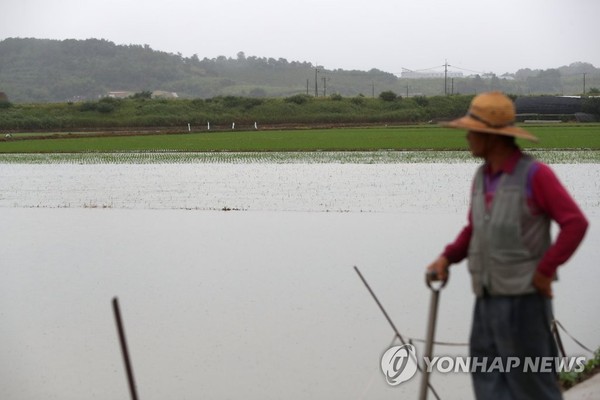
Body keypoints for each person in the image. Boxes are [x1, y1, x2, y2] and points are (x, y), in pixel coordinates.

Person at [426, 91, 588, 400]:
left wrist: (545, 271)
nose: (467, 138)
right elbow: (476, 228)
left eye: (472, 131)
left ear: (492, 136)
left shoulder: (535, 175)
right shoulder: (482, 177)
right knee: (489, 386)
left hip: (525, 302)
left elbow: (575, 223)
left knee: (533, 388)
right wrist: (447, 258)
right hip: (486, 299)